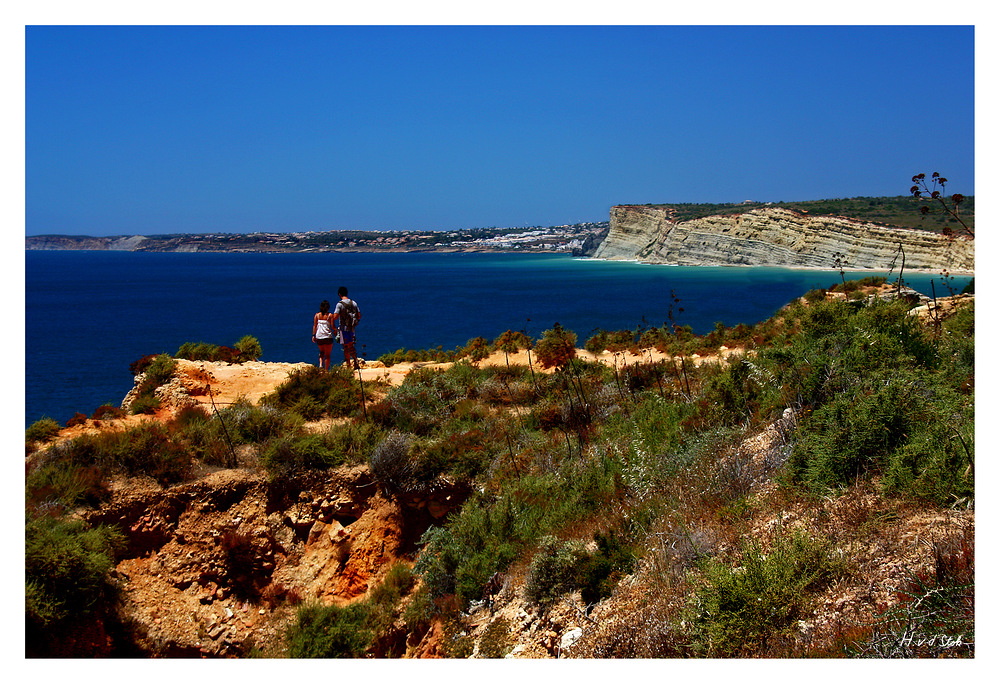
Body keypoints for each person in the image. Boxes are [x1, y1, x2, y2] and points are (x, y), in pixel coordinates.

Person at [333, 286, 361, 369]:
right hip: (352, 328)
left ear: (339, 294)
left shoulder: (339, 304)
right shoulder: (353, 303)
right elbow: (359, 316)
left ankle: (348, 365)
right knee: (351, 346)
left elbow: (335, 316)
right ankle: (356, 362)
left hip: (343, 328)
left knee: (345, 347)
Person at [312, 300, 335, 370]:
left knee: (321, 352)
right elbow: (333, 326)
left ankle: (321, 364)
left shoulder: (317, 315)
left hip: (319, 336)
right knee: (327, 355)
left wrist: (313, 335)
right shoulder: (330, 315)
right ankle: (326, 370)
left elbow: (315, 326)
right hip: (328, 336)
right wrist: (336, 330)